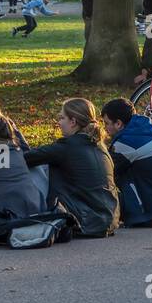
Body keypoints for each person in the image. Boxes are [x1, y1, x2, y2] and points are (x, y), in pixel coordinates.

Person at [23, 98, 120, 237]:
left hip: (82, 222)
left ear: (73, 121)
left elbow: (24, 158)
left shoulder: (67, 147)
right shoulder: (101, 147)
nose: (59, 122)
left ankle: (30, 212)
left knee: (37, 167)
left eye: (62, 118)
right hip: (108, 220)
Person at [102, 97, 152, 228]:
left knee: (98, 189)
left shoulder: (126, 143)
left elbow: (104, 173)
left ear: (118, 123)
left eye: (106, 123)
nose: (104, 128)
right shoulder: (148, 131)